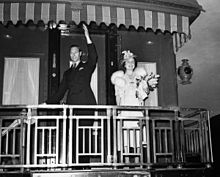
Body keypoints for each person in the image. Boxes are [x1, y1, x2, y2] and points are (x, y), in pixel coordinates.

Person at [46, 24, 98, 164]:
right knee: (73, 138)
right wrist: (46, 103)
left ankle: (85, 167)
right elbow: (60, 92)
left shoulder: (86, 66)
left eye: (76, 52)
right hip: (72, 110)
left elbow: (93, 56)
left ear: (80, 54)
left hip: (86, 107)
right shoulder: (67, 73)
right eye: (71, 53)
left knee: (85, 138)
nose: (73, 55)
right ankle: (75, 165)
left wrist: (87, 36)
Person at [111, 50, 159, 162]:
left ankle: (139, 163)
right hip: (125, 109)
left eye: (132, 61)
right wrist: (119, 109)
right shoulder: (120, 78)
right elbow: (117, 95)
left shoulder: (139, 76)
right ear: (124, 63)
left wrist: (146, 85)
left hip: (137, 109)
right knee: (125, 138)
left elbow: (144, 94)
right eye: (128, 61)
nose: (130, 63)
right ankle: (126, 164)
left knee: (137, 137)